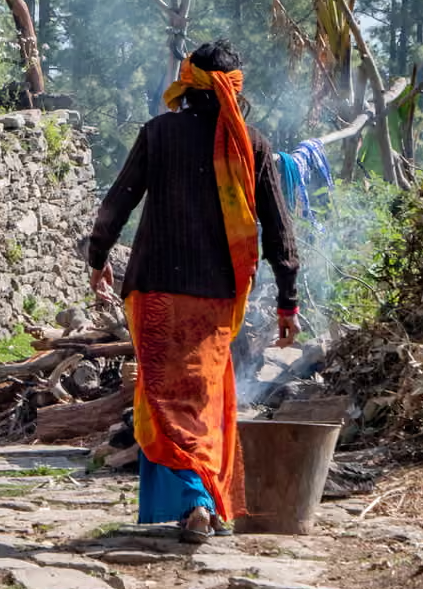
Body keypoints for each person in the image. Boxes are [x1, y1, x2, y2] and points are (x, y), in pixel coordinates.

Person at [86, 39, 300, 544]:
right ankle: (201, 500)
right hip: (216, 295)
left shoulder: (159, 133)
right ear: (236, 89)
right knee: (202, 397)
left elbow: (118, 201)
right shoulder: (253, 145)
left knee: (164, 399)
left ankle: (196, 500)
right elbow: (278, 228)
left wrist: (97, 258)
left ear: (188, 82)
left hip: (155, 289)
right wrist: (288, 299)